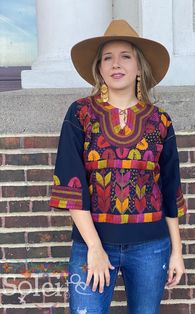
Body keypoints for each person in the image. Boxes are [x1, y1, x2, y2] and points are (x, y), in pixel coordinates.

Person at [49, 19, 187, 314]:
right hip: (93, 244)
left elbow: (170, 188)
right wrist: (94, 248)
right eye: (107, 58)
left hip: (152, 247)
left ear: (139, 66)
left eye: (126, 56)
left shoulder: (160, 121)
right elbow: (72, 185)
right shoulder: (81, 114)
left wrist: (177, 250)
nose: (116, 64)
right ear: (99, 68)